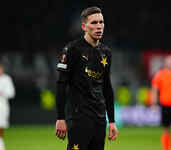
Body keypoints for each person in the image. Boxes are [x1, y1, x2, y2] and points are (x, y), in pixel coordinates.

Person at [55, 6, 118, 150]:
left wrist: (112, 121)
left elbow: (107, 87)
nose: (99, 26)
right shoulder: (72, 50)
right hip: (79, 117)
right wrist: (60, 118)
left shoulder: (106, 53)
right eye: (94, 23)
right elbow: (61, 84)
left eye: (101, 22)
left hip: (100, 118)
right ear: (84, 26)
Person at [151, 55, 171, 150]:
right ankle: (166, 148)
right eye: (169, 62)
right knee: (166, 129)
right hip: (165, 105)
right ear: (166, 63)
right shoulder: (160, 75)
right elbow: (155, 89)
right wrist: (154, 103)